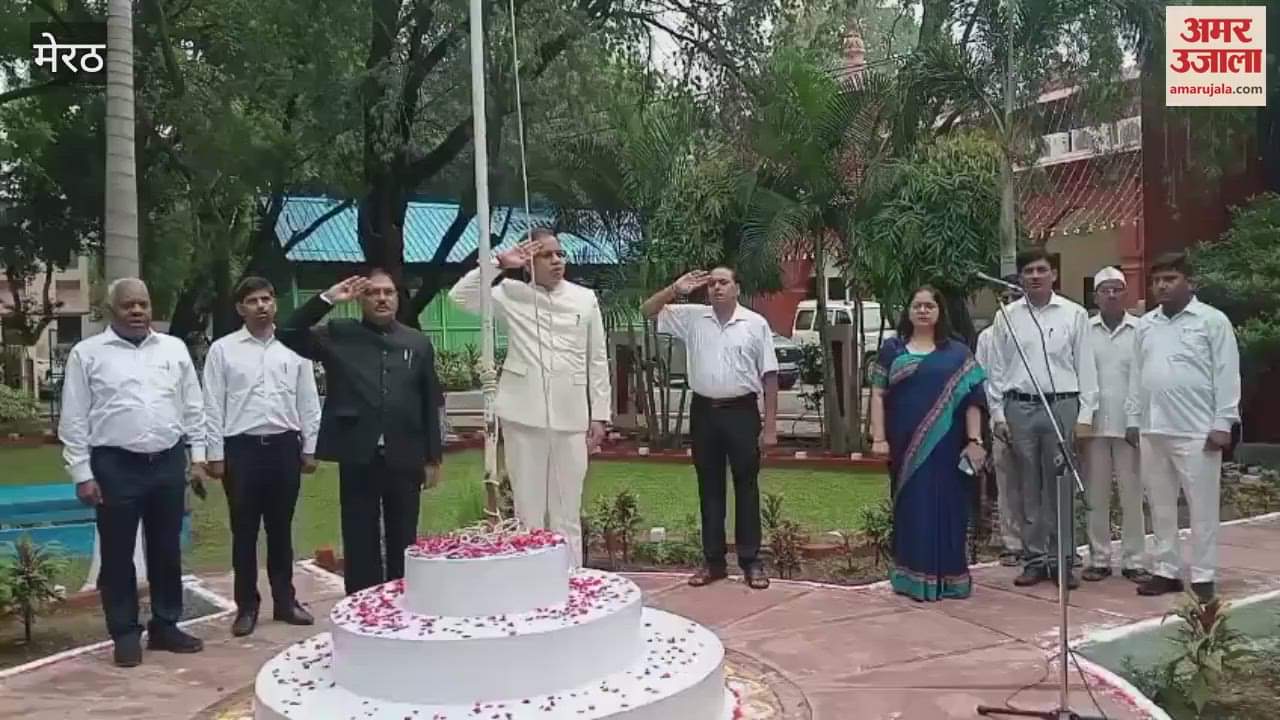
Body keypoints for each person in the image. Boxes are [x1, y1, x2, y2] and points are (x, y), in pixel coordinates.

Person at [58, 278, 207, 667]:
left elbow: (193, 406)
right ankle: (124, 632)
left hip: (168, 462)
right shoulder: (87, 354)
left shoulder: (173, 349)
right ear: (112, 310)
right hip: (115, 465)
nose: (137, 311)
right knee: (118, 554)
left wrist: (200, 457)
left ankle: (165, 625)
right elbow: (73, 418)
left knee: (166, 550)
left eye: (143, 303)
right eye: (128, 305)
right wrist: (81, 473)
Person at [448, 229, 611, 567]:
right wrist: (497, 263)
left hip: (571, 413)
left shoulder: (585, 298)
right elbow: (459, 297)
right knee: (528, 508)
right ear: (528, 262)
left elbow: (597, 358)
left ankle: (572, 579)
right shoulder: (509, 293)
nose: (556, 261)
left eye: (560, 254)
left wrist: (600, 415)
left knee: (568, 508)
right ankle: (533, 579)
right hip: (523, 412)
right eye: (546, 255)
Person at [277, 268, 444, 596]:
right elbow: (287, 332)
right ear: (360, 300)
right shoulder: (340, 333)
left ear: (397, 298)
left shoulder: (417, 342)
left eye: (388, 292)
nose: (381, 299)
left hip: (405, 454)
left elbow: (430, 401)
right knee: (359, 536)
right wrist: (328, 299)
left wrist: (433, 456)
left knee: (403, 536)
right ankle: (363, 604)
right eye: (372, 293)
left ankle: (403, 598)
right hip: (357, 454)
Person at [640, 267, 778, 590]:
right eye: (712, 283)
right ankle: (713, 562)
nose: (716, 288)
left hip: (742, 411)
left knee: (746, 487)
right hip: (704, 412)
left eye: (723, 282)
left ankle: (750, 561)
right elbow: (647, 311)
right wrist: (676, 288)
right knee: (709, 488)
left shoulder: (755, 324)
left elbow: (770, 376)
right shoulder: (692, 318)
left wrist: (770, 426)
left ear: (737, 288)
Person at [203, 277, 322, 636]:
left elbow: (308, 399)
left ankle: (285, 601)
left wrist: (311, 447)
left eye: (267, 298)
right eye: (253, 300)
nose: (262, 306)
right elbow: (212, 404)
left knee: (281, 530)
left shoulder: (294, 348)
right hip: (241, 450)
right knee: (244, 531)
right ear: (241, 308)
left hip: (285, 446)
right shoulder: (223, 350)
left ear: (275, 304)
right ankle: (246, 606)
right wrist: (215, 454)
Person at [1126, 252, 1240, 601]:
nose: (1162, 285)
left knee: (1202, 505)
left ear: (1189, 282)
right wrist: (1133, 419)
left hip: (1197, 430)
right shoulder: (1146, 324)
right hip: (1153, 428)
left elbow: (1227, 373)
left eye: (1170, 279)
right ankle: (1167, 570)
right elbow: (1136, 375)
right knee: (1160, 505)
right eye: (1157, 280)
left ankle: (1204, 575)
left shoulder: (1212, 321)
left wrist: (1224, 422)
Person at [986, 248, 1098, 589]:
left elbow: (1086, 366)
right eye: (1028, 271)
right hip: (1020, 408)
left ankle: (1063, 558)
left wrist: (1086, 414)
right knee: (1028, 486)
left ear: (1053, 275)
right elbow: (996, 369)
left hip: (1062, 405)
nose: (1034, 276)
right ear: (1020, 278)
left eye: (1041, 270)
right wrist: (997, 413)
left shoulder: (1074, 314)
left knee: (1060, 484)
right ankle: (1034, 559)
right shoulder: (1006, 315)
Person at [870, 286, 987, 601]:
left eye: (929, 306)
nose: (923, 311)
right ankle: (911, 579)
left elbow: (973, 399)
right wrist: (878, 437)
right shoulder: (892, 350)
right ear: (907, 311)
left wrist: (975, 440)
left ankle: (950, 579)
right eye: (917, 305)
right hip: (904, 448)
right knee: (911, 509)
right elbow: (878, 395)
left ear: (939, 312)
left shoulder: (957, 353)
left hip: (948, 449)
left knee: (949, 510)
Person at [1080, 267, 1148, 584]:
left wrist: (1138, 420)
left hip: (1129, 426)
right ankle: (1099, 558)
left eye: (1116, 289)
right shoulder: (1084, 330)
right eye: (1104, 289)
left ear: (1126, 293)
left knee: (1132, 493)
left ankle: (1134, 559)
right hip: (1093, 425)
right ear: (1095, 296)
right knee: (1096, 495)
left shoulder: (1140, 330)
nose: (1111, 294)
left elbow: (1143, 379)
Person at [974, 276, 1024, 567]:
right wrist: (995, 417)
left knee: (1036, 483)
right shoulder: (987, 337)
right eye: (1004, 298)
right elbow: (983, 378)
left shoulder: (1037, 331)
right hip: (1000, 416)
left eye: (1014, 298)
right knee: (1006, 483)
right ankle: (1011, 542)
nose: (1009, 304)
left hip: (1034, 415)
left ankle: (1039, 542)